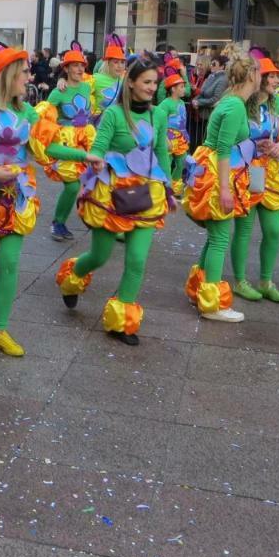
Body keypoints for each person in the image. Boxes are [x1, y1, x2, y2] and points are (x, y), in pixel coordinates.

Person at [0, 45, 90, 356]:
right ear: (8, 75)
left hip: (17, 195)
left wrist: (85, 155)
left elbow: (49, 147)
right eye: (25, 72)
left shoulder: (27, 112)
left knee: (9, 262)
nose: (29, 77)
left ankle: (0, 330)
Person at [56, 53, 174, 345]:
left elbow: (161, 152)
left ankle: (121, 321)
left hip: (147, 194)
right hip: (111, 194)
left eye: (155, 82)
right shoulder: (113, 114)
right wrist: (97, 161)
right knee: (100, 256)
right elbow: (99, 146)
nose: (152, 87)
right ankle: (72, 280)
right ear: (130, 83)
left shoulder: (158, 114)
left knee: (137, 260)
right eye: (147, 82)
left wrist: (169, 186)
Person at [183, 45, 259, 323]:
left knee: (215, 237)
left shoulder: (228, 101)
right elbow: (224, 148)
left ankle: (200, 290)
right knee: (219, 239)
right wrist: (226, 189)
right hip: (218, 173)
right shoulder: (236, 105)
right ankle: (212, 304)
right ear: (252, 76)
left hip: (212, 169)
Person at [229, 57, 279, 303]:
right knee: (244, 229)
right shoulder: (241, 104)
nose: (277, 80)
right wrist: (254, 144)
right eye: (272, 76)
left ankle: (266, 281)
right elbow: (229, 136)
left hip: (273, 173)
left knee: (274, 230)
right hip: (247, 170)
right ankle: (239, 280)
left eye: (278, 76)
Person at [37, 42, 96, 242]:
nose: (80, 68)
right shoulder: (57, 92)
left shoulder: (88, 87)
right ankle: (58, 223)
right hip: (66, 142)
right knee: (71, 187)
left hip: (86, 139)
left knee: (96, 180)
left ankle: (98, 218)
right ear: (67, 68)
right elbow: (44, 117)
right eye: (75, 65)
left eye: (82, 65)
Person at [193, 54, 227, 126]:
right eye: (211, 64)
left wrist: (199, 102)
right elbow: (202, 92)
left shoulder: (222, 80)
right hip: (203, 115)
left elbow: (216, 99)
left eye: (214, 64)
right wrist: (194, 100)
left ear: (222, 66)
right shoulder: (211, 76)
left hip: (211, 117)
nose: (211, 66)